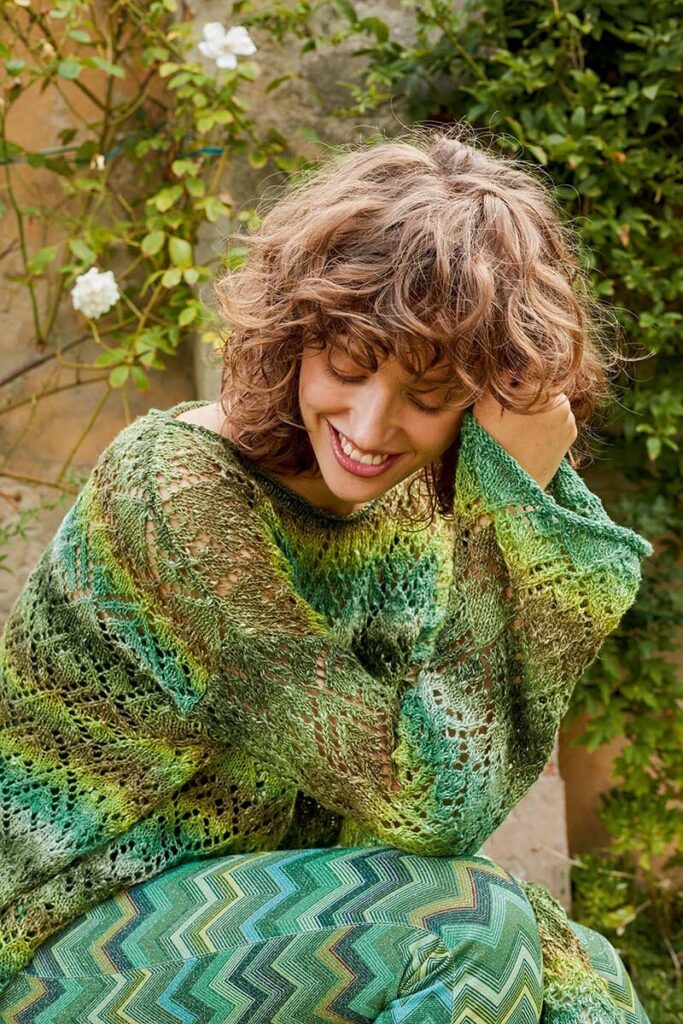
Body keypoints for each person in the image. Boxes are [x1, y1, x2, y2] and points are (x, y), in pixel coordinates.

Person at [0, 125, 654, 1023]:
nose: (372, 427)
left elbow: (415, 814)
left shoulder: (413, 507)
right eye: (348, 367)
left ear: (486, 402)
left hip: (245, 918)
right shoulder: (177, 498)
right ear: (297, 334)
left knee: (584, 983)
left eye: (429, 396)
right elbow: (430, 803)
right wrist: (510, 523)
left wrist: (507, 497)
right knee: (467, 926)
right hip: (57, 941)